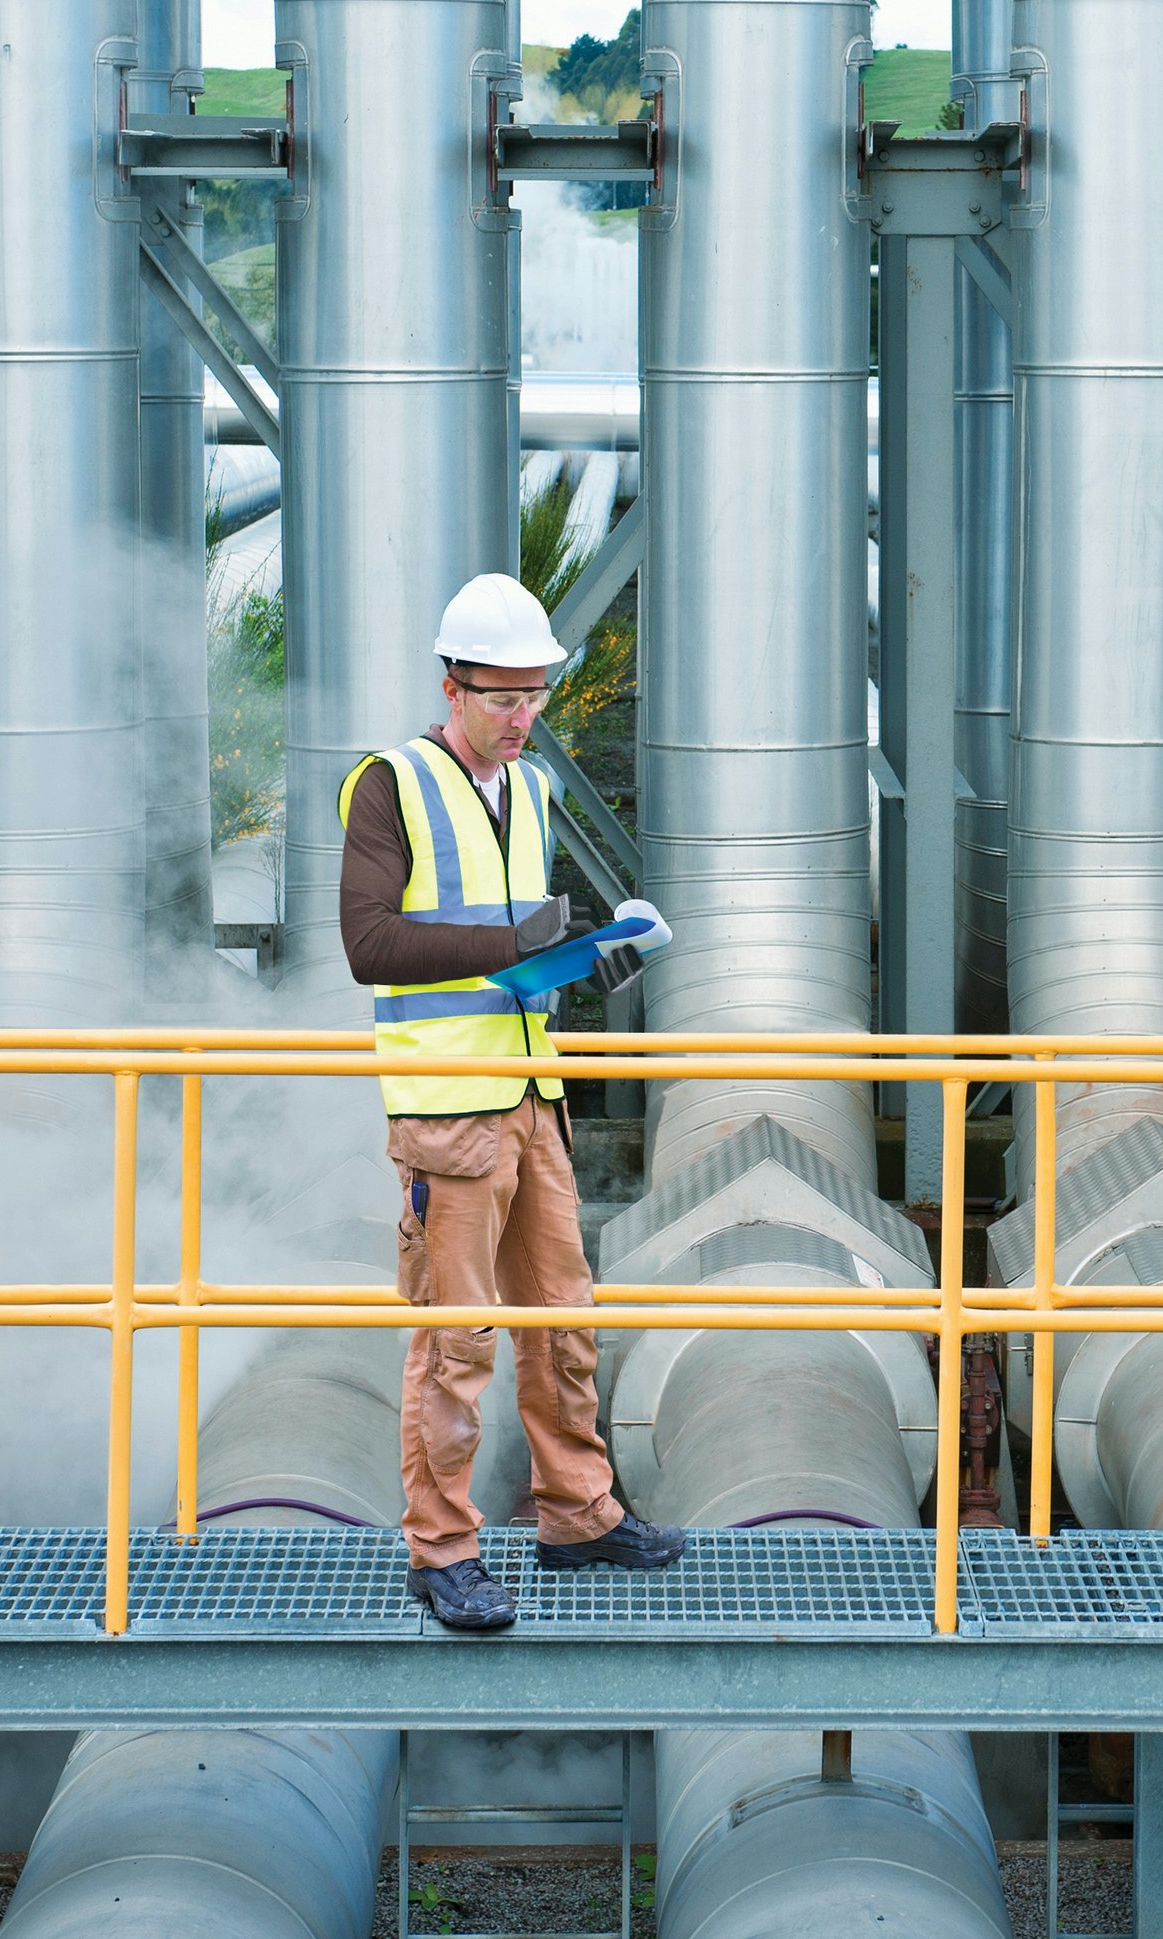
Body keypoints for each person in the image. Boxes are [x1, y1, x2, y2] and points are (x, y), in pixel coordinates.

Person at [341, 570, 687, 1632]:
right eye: (501, 697)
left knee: (562, 1322)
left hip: (533, 1098)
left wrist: (591, 960)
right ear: (451, 686)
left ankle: (577, 1515)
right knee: (457, 1344)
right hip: (446, 1112)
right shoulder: (389, 784)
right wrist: (517, 944)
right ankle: (441, 1552)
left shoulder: (529, 789)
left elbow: (515, 939)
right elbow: (369, 946)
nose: (521, 717)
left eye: (534, 695)